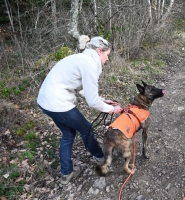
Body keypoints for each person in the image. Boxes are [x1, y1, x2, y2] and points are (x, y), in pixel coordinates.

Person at [37, 36, 123, 184]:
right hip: (58, 103)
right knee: (86, 128)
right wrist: (112, 109)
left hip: (45, 102)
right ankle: (100, 156)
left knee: (68, 134)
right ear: (99, 51)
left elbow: (82, 89)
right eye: (107, 55)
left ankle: (66, 174)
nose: (107, 59)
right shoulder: (90, 64)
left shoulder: (80, 59)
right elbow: (92, 101)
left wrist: (103, 100)